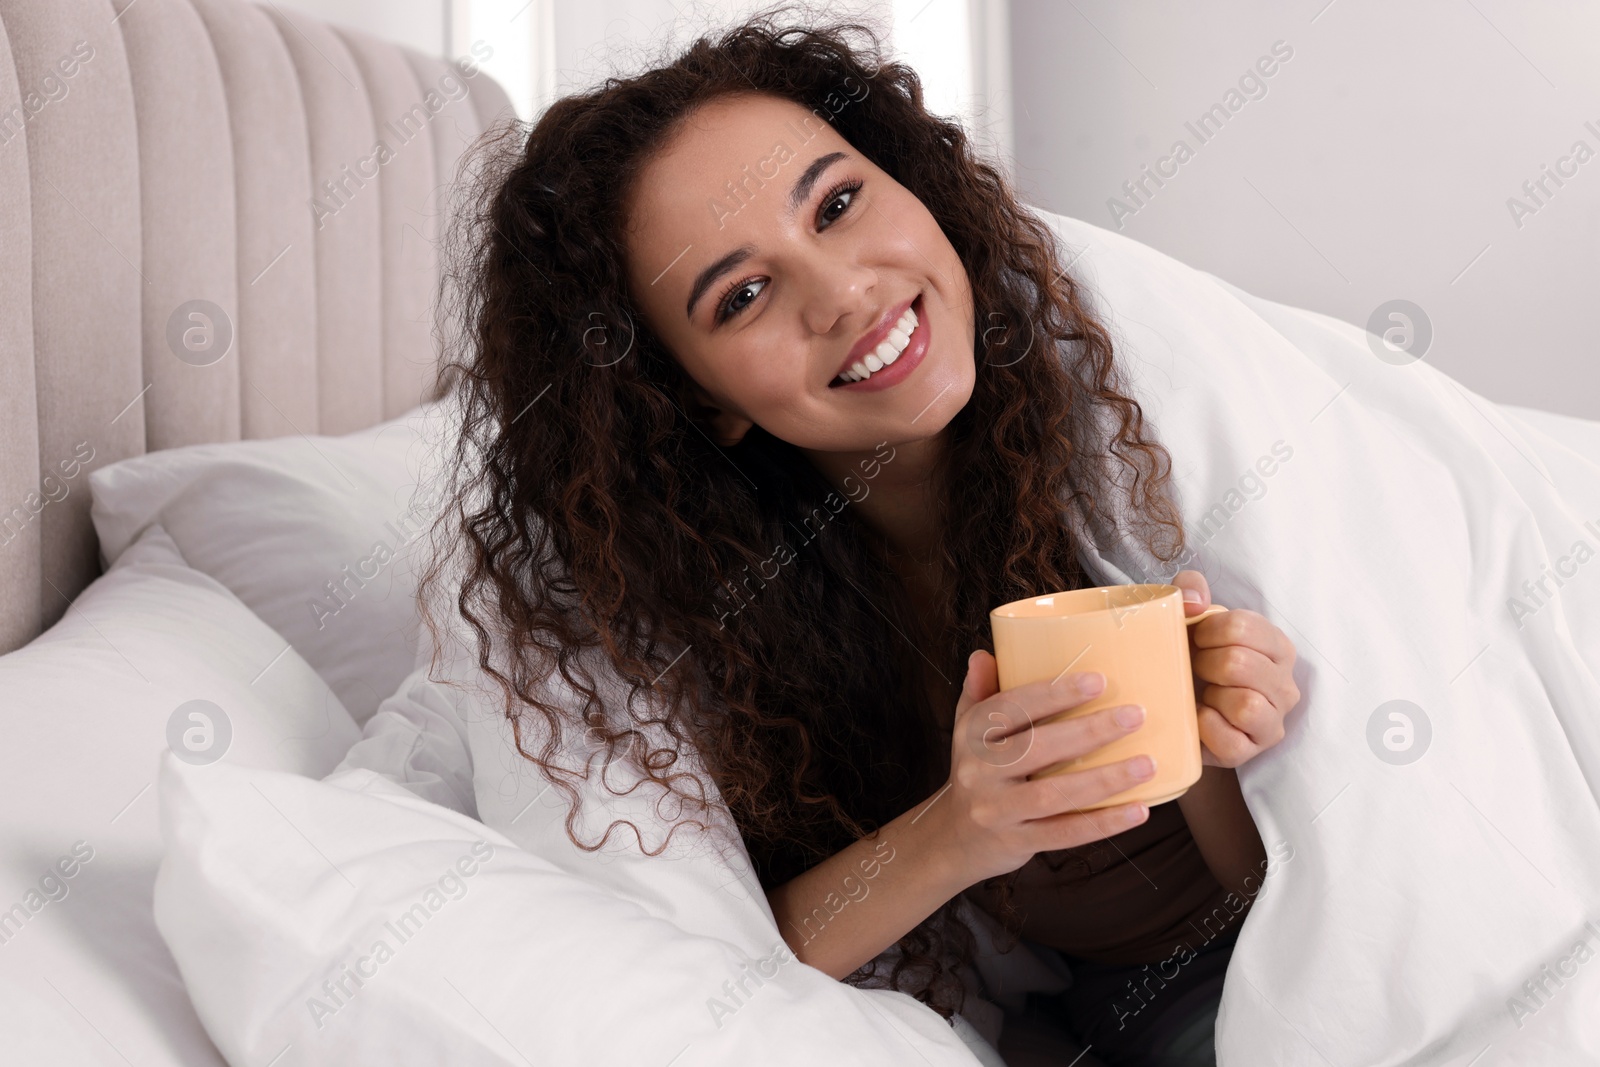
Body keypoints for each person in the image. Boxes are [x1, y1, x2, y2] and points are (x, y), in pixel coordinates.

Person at [421, 12, 1300, 1065]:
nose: (843, 293)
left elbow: (1302, 899)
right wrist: (962, 827)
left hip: (1273, 963)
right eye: (742, 295)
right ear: (697, 402)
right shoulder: (734, 612)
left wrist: (1210, 750)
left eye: (836, 204)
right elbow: (708, 962)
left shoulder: (1130, 424)